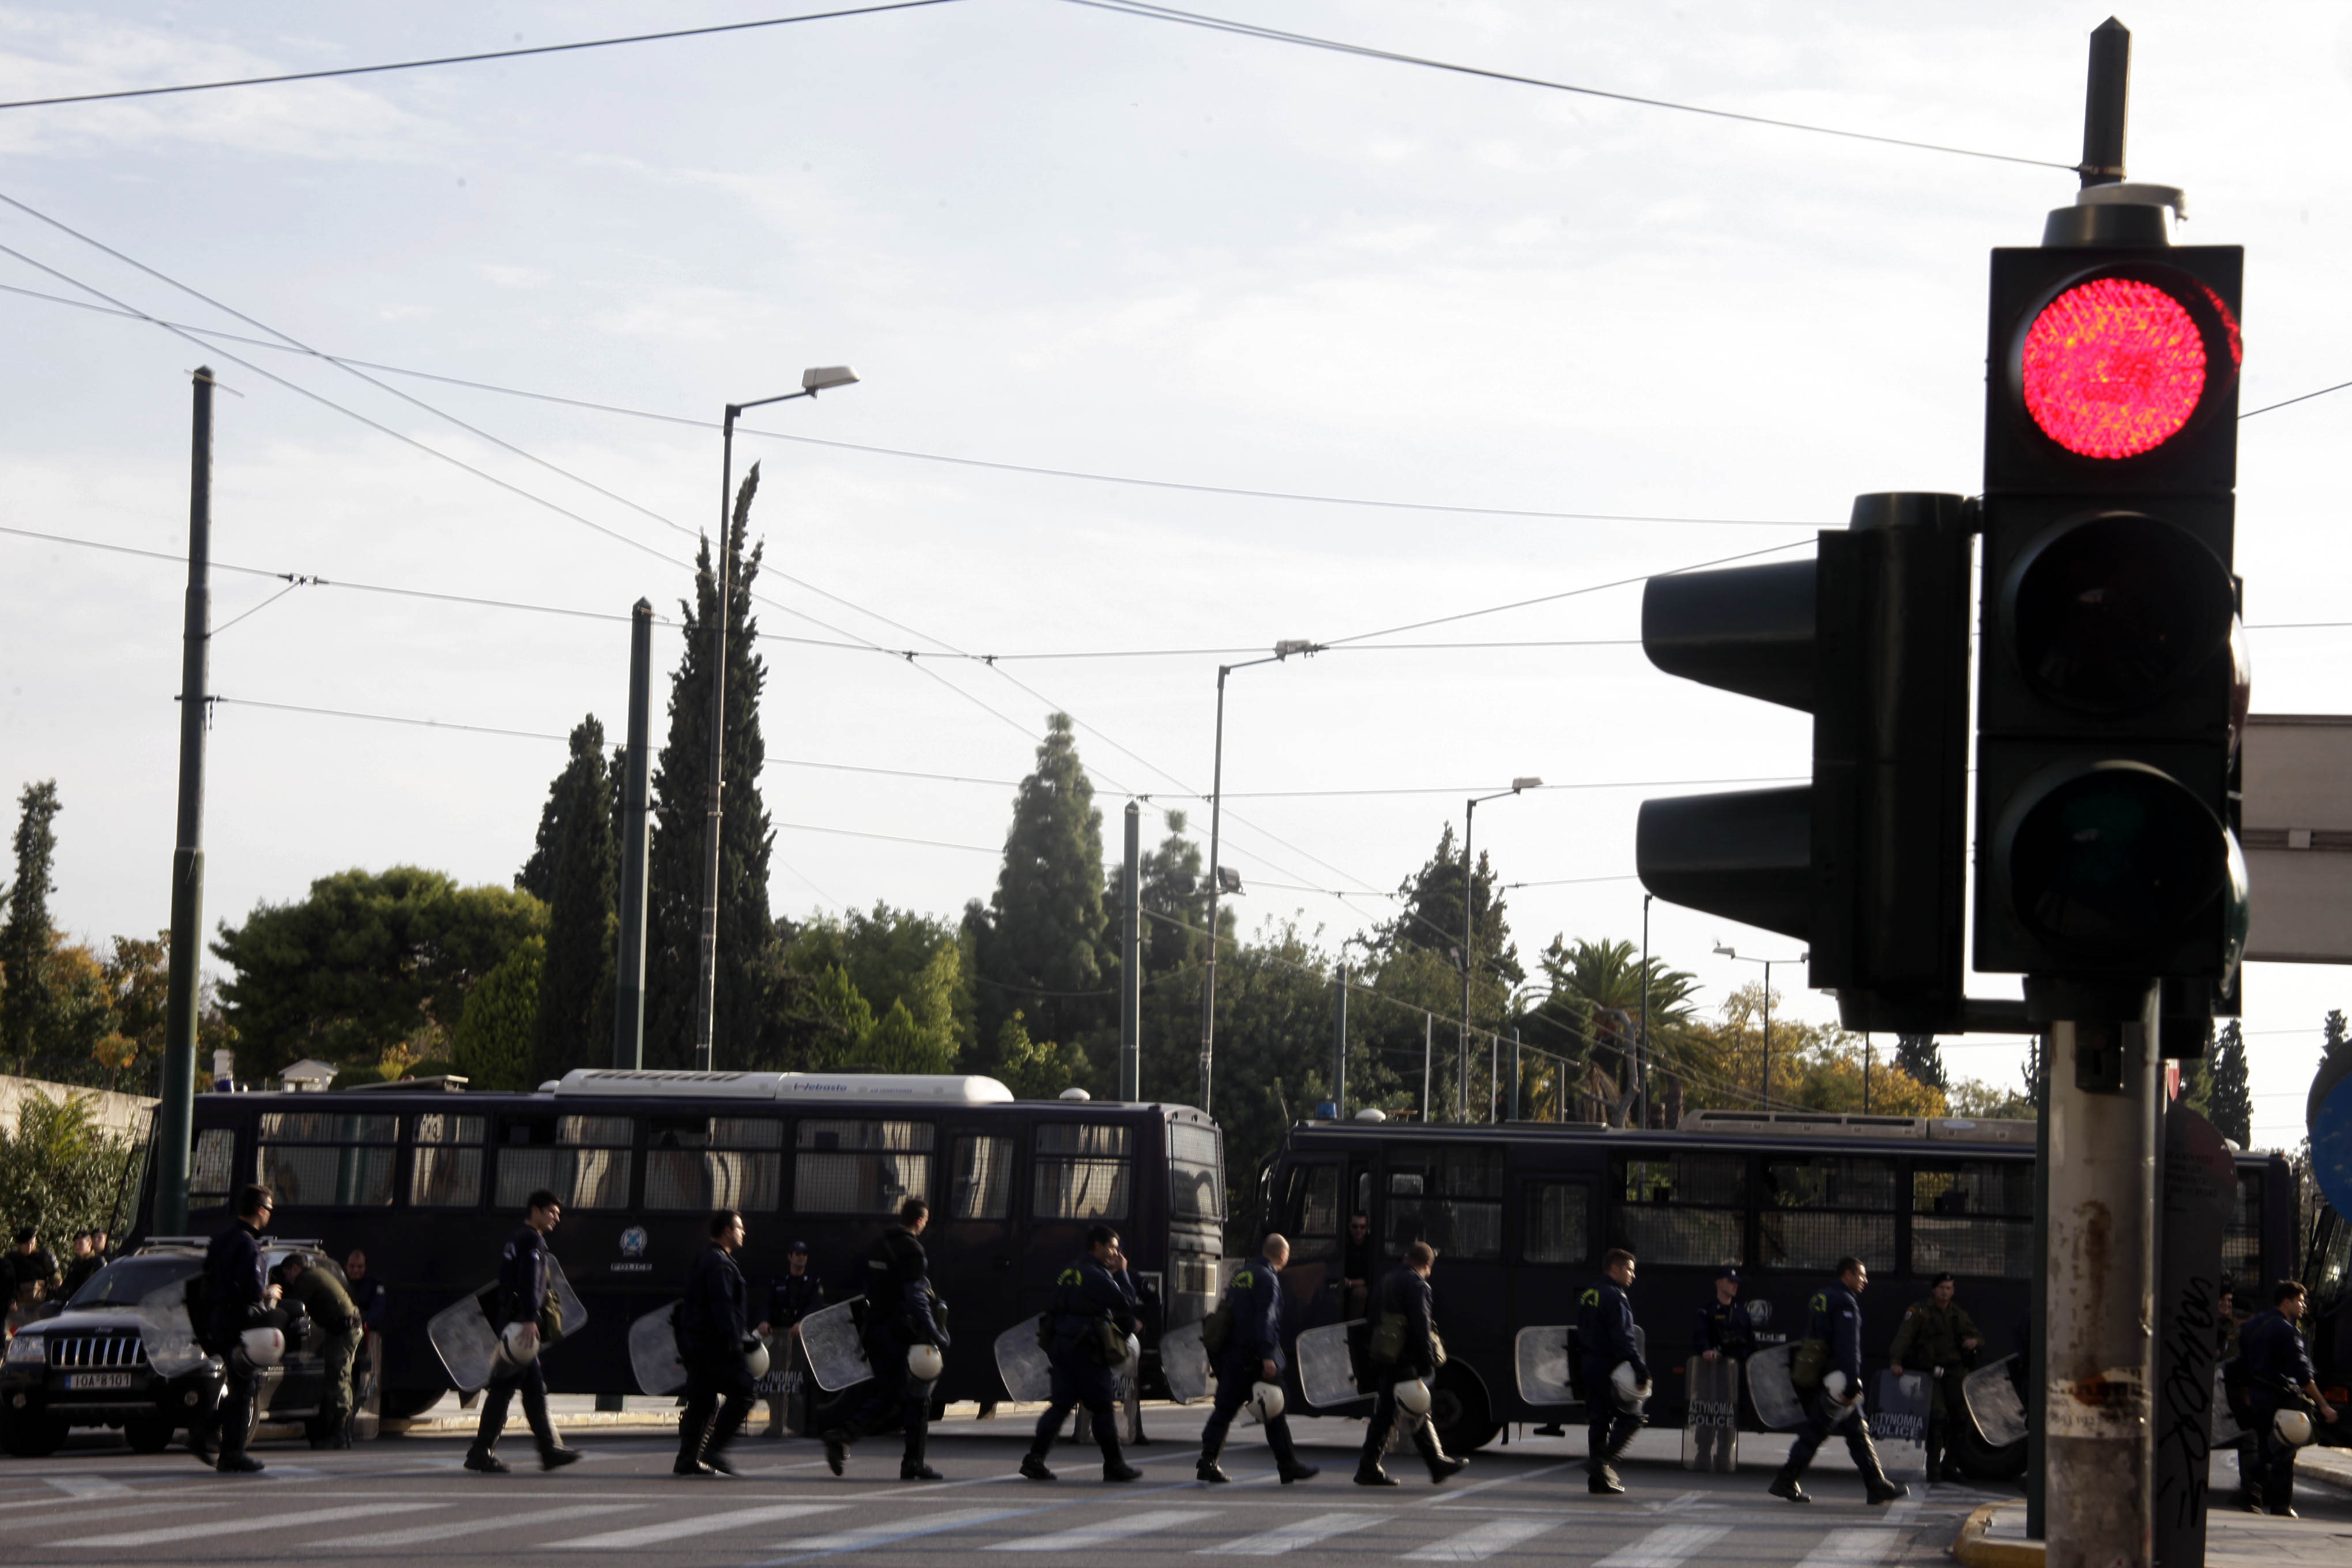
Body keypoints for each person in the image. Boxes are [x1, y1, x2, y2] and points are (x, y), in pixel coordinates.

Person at [824, 1197, 948, 1481]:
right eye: (925, 1222)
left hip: (878, 1329)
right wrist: (934, 1333)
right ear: (920, 1221)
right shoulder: (913, 1250)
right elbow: (916, 1297)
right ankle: (910, 1462)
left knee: (891, 1394)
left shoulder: (878, 1245)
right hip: (905, 1333)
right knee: (919, 1396)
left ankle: (847, 1437)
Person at [1768, 1256, 1906, 1506]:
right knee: (1818, 1431)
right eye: (1861, 1275)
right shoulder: (1845, 1301)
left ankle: (1876, 1485)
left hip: (1818, 1374)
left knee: (1855, 1430)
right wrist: (1852, 1379)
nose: (1865, 1280)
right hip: (1836, 1380)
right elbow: (1847, 1345)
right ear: (1848, 1274)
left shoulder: (1821, 1296)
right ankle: (1786, 1480)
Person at [464, 1189, 584, 1475]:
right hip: (522, 1325)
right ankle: (484, 1451)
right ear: (536, 1210)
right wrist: (531, 1318)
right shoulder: (533, 1241)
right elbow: (531, 1282)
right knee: (507, 1388)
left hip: (511, 1321)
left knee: (530, 1388)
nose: (556, 1219)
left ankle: (546, 1450)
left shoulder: (515, 1238)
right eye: (552, 1212)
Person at [1021, 1223, 1145, 1482]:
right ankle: (1114, 1466)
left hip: (1062, 1345)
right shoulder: (1095, 1275)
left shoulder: (1069, 1272)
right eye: (1112, 1247)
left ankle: (1035, 1458)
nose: (1116, 1253)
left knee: (1060, 1405)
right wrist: (1122, 1273)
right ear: (1097, 1246)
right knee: (1101, 1407)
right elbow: (1126, 1301)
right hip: (1087, 1349)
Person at [1196, 1233, 1318, 1485]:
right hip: (1255, 1357)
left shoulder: (1243, 1274)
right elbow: (1268, 1320)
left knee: (1224, 1410)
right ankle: (1288, 1465)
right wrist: (1267, 1356)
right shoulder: (1269, 1279)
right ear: (1284, 1255)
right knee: (1275, 1408)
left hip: (1233, 1355)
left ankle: (1207, 1462)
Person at [1354, 1240, 1466, 1487]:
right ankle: (1434, 1463)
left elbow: (1370, 1318)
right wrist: (1427, 1362)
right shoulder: (1418, 1284)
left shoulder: (1386, 1280)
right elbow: (1421, 1327)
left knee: (1388, 1412)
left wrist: (1372, 1355)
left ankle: (1369, 1466)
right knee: (1414, 1405)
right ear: (1427, 1265)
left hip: (1384, 1354)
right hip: (1404, 1358)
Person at [194, 1184, 281, 1473]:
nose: (270, 1215)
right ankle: (232, 1452)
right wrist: (269, 1293)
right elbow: (254, 1290)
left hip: (216, 1321)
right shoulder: (247, 1243)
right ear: (260, 1210)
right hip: (238, 1322)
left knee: (238, 1384)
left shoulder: (220, 1238)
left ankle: (206, 1432)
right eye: (269, 1210)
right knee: (246, 1386)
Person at [2236, 1280, 2341, 1518]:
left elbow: (2242, 1364)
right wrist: (2324, 1405)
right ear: (2287, 1302)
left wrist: (2246, 1394)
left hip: (2255, 1395)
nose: (2304, 1306)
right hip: (2278, 1397)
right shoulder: (2287, 1330)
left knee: (2263, 1446)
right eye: (2300, 1301)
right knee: (2285, 1449)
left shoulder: (2252, 1326)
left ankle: (2251, 1494)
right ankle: (2281, 1505)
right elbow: (2303, 1374)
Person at [1888, 1271, 1981, 1483]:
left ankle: (1949, 1465)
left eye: (1949, 1289)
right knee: (1937, 1418)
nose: (1945, 1292)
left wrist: (1974, 1342)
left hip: (1954, 1372)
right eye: (1942, 1288)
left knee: (1961, 1418)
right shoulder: (1920, 1311)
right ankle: (1933, 1469)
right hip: (1931, 1373)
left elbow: (1977, 1336)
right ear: (1934, 1290)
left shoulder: (1958, 1314)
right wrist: (1896, 1361)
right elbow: (1904, 1337)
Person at [1578, 1248, 1648, 1495]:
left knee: (1598, 1421)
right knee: (1633, 1415)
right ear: (1615, 1269)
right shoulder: (1615, 1296)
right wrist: (1640, 1369)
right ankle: (1601, 1463)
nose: (1633, 1276)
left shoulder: (1589, 1294)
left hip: (1589, 1364)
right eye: (1629, 1270)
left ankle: (1598, 1481)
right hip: (1609, 1366)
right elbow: (1624, 1339)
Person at [276, 1252, 361, 1448]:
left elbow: (292, 1305)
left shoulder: (308, 1278)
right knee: (337, 1379)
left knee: (339, 1378)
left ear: (296, 1269)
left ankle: (341, 1433)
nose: (288, 1278)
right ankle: (340, 1433)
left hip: (345, 1331)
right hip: (340, 1330)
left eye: (287, 1274)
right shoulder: (317, 1273)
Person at [758, 1241, 826, 1438]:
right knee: (776, 1383)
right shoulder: (778, 1283)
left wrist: (802, 1322)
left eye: (804, 1254)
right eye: (797, 1254)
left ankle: (799, 1425)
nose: (801, 1257)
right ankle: (775, 1425)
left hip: (800, 1340)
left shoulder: (813, 1283)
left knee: (799, 1384)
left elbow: (815, 1306)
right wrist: (763, 1321)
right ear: (790, 1256)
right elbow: (766, 1304)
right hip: (778, 1339)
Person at [1339, 1212, 1375, 1321]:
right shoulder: (1342, 1242)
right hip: (1341, 1282)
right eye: (1355, 1227)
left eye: (1362, 1227)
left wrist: (1350, 1283)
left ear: (1367, 1228)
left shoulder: (1373, 1246)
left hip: (1362, 1286)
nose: (1358, 1230)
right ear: (1350, 1227)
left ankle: (1352, 1332)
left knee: (1359, 1294)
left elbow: (1371, 1278)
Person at [59, 1232, 104, 1301]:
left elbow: (102, 1286)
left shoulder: (98, 1261)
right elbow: (68, 1283)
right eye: (75, 1244)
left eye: (81, 1243)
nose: (77, 1247)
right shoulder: (75, 1263)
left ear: (90, 1244)